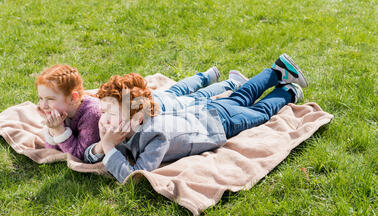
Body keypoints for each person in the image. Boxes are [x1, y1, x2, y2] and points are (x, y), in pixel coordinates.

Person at [83, 54, 308, 184]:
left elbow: (136, 176)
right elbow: (90, 156)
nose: (105, 119)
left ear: (137, 115)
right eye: (104, 112)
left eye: (112, 113)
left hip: (219, 124)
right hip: (208, 109)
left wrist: (111, 148)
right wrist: (103, 146)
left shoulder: (155, 134)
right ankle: (278, 71)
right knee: (243, 95)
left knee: (259, 113)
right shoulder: (126, 129)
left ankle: (288, 92)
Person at [35, 64, 101, 160]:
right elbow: (53, 151)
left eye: (50, 99)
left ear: (73, 98)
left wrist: (58, 130)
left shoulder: (92, 115)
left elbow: (79, 156)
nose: (43, 105)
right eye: (41, 98)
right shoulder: (61, 110)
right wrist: (52, 128)